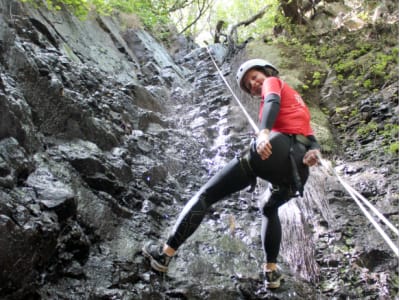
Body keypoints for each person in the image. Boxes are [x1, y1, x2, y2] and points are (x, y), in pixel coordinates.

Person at [142, 58, 321, 289]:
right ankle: (271, 272)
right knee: (269, 208)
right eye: (249, 85)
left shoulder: (274, 83)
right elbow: (311, 139)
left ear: (266, 72)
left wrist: (264, 133)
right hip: (298, 171)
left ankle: (163, 255)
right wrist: (313, 152)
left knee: (207, 195)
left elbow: (272, 102)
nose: (254, 84)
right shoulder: (299, 103)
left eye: (255, 77)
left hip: (274, 149)